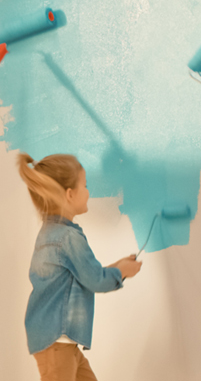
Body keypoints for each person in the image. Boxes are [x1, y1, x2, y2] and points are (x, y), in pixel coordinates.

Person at [17, 152, 142, 381]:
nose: (88, 192)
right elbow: (95, 280)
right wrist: (123, 272)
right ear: (70, 194)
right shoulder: (68, 238)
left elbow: (83, 276)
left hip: (59, 341)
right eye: (85, 185)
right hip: (57, 342)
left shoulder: (51, 232)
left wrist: (118, 268)